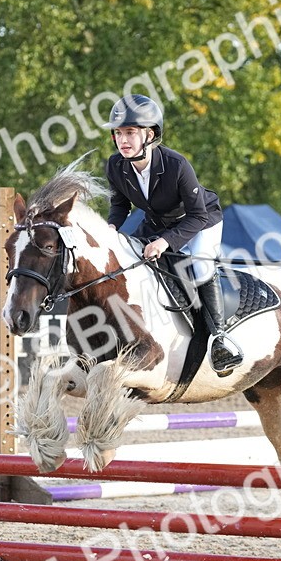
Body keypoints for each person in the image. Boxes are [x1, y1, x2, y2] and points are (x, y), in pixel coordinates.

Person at [102, 94, 243, 375]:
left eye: (130, 132)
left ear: (149, 134)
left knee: (201, 267)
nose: (123, 140)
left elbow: (197, 215)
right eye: (118, 133)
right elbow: (120, 206)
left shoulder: (176, 165)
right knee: (132, 259)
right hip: (159, 223)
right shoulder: (115, 165)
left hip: (200, 220)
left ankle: (220, 338)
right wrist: (111, 228)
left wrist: (165, 242)